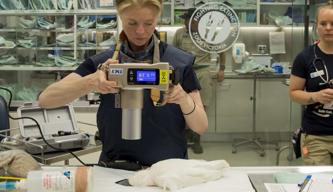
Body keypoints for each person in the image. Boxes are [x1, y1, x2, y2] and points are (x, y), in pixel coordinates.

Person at [38, 0, 208, 167]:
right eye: (132, 23)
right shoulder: (104, 63)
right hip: (115, 169)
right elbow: (46, 99)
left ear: (157, 19)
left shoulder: (179, 63)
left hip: (167, 170)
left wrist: (183, 99)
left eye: (148, 23)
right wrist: (90, 82)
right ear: (120, 17)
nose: (140, 31)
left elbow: (200, 126)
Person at [173, 8, 225, 154]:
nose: (185, 22)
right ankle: (184, 136)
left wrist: (222, 69)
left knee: (203, 104)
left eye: (188, 19)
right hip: (185, 72)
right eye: (184, 19)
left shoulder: (209, 33)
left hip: (203, 71)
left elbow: (222, 50)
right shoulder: (180, 33)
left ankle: (197, 140)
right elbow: (172, 53)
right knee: (181, 104)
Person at [289, 2, 333, 165]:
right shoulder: (305, 58)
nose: (328, 28)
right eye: (323, 23)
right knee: (320, 185)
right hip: (316, 136)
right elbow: (293, 93)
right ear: (316, 26)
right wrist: (315, 96)